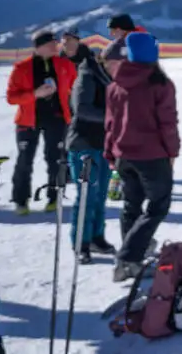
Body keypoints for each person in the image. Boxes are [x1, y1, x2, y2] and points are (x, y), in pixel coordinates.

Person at [103, 32, 179, 281]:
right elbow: (167, 122)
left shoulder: (115, 85)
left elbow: (110, 124)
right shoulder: (160, 85)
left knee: (131, 205)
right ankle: (128, 256)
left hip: (124, 154)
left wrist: (109, 151)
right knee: (158, 206)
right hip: (152, 155)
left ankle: (130, 259)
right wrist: (172, 151)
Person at [6, 30, 77, 214]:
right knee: (25, 161)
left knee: (56, 160)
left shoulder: (64, 64)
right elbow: (11, 98)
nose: (56, 46)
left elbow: (76, 86)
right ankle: (21, 201)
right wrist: (34, 95)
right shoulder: (22, 68)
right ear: (40, 46)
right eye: (51, 43)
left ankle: (54, 198)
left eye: (56, 43)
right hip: (28, 121)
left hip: (57, 120)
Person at [67, 39, 117, 263]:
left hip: (104, 144)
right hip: (83, 143)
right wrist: (112, 116)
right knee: (87, 195)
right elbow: (82, 109)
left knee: (100, 194)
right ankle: (81, 243)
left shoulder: (111, 77)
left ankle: (97, 236)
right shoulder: (87, 75)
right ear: (106, 61)